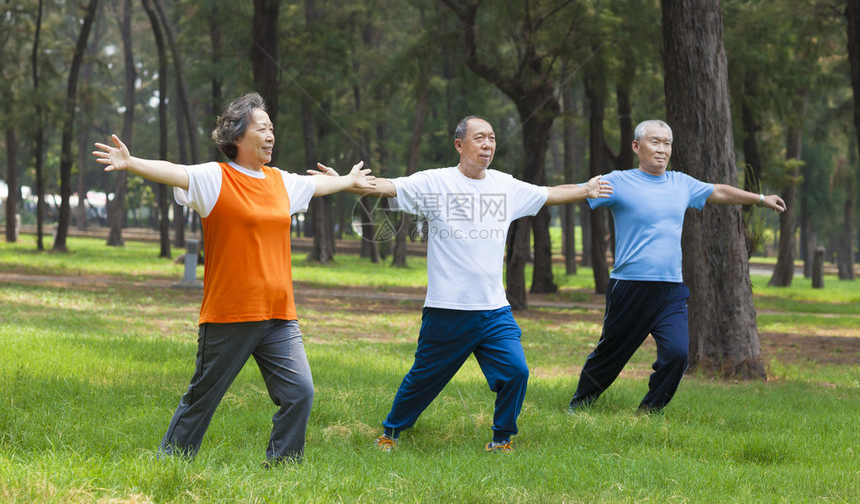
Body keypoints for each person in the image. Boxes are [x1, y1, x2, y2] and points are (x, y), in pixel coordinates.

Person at [92, 92, 375, 465]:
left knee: (300, 392)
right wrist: (132, 164)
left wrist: (348, 180)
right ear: (238, 136)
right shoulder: (216, 178)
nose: (271, 134)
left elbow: (318, 187)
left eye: (272, 128)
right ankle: (169, 463)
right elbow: (176, 171)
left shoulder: (281, 182)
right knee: (203, 396)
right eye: (262, 128)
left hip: (279, 316)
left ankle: (282, 466)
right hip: (230, 315)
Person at [316, 115, 612, 453]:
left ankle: (501, 440)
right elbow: (385, 186)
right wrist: (341, 182)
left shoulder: (505, 185)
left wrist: (585, 190)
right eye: (479, 138)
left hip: (494, 309)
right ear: (460, 145)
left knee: (517, 371)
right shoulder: (435, 183)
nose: (487, 144)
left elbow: (548, 194)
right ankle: (391, 433)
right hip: (448, 309)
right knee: (424, 379)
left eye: (492, 138)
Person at [567, 119, 786, 415]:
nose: (662, 149)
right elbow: (579, 191)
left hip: (670, 289)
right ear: (636, 146)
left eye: (667, 143)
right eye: (654, 141)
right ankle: (580, 403)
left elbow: (718, 192)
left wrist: (760, 199)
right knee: (611, 353)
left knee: (677, 353)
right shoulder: (618, 182)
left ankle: (650, 411)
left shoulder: (681, 183)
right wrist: (537, 195)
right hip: (629, 286)